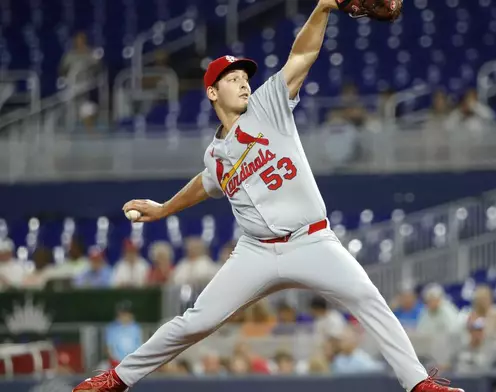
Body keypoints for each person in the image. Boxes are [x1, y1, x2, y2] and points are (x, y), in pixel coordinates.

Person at [72, 1, 462, 391]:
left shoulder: (267, 105)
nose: (243, 82)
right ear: (211, 92)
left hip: (311, 240)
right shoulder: (215, 154)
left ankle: (418, 385)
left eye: (244, 75)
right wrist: (163, 209)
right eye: (231, 78)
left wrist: (324, 6)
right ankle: (118, 378)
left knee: (367, 298)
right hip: (256, 252)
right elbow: (205, 182)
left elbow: (303, 54)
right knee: (197, 321)